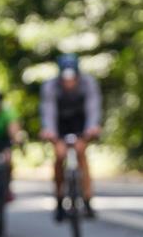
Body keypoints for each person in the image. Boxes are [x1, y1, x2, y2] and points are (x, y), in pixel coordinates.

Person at [38, 54, 101, 221]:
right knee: (59, 156)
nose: (69, 83)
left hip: (80, 122)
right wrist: (50, 132)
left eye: (72, 78)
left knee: (81, 154)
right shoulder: (50, 86)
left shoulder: (88, 83)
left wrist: (91, 129)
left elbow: (92, 108)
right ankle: (59, 200)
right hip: (59, 123)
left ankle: (87, 200)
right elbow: (48, 111)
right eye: (65, 79)